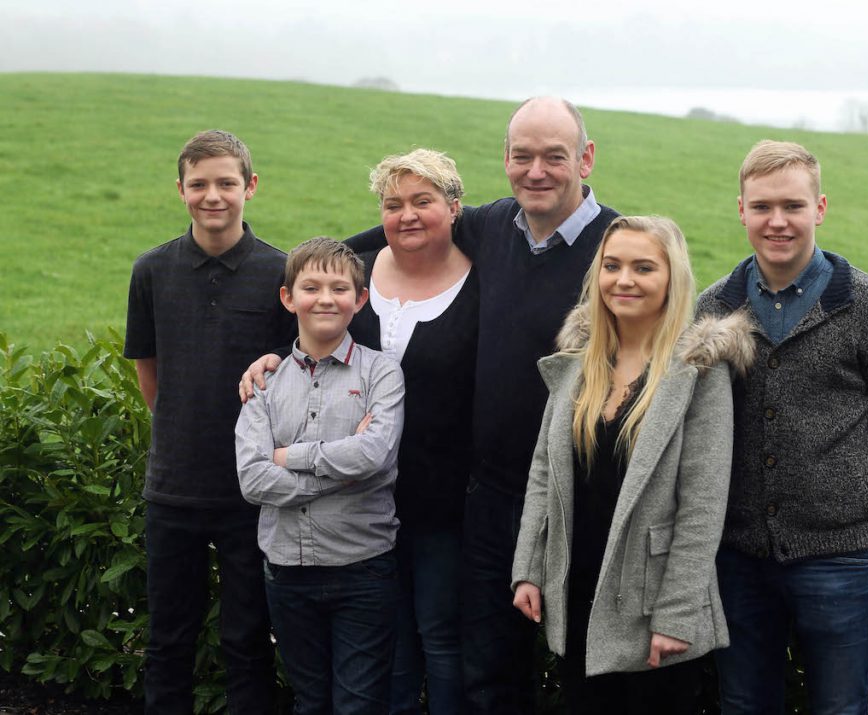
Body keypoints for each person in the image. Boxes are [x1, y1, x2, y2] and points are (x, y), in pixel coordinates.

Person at [242, 97, 620, 714]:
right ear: (505, 160)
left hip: (579, 486)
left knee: (587, 655)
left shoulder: (616, 243)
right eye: (522, 156)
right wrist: (314, 279)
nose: (537, 171)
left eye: (555, 156)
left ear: (586, 157)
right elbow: (403, 229)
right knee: (486, 660)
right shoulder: (498, 225)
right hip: (490, 493)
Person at [695, 140, 868, 714]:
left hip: (842, 558)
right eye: (763, 206)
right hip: (739, 555)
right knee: (745, 704)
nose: (778, 221)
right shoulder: (713, 310)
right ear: (741, 210)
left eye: (793, 206)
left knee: (840, 708)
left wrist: (851, 493)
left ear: (819, 208)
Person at [511, 215, 753, 714]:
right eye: (612, 265)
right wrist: (529, 568)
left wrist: (677, 615)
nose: (624, 280)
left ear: (672, 279)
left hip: (652, 604)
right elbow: (544, 473)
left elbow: (702, 507)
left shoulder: (698, 372)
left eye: (644, 267)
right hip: (578, 589)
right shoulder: (580, 361)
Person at [124, 129, 294, 713]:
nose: (212, 195)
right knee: (168, 639)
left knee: (247, 640)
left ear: (251, 187)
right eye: (198, 184)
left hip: (251, 492)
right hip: (171, 490)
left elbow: (290, 382)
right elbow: (150, 373)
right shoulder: (151, 271)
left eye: (226, 183)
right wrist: (180, 425)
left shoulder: (280, 274)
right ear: (180, 190)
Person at [235, 237, 405, 714]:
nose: (326, 298)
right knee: (310, 702)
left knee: (358, 704)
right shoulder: (263, 381)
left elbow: (374, 456)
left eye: (339, 288)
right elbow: (253, 480)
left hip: (363, 568)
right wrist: (342, 468)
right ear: (289, 298)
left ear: (361, 299)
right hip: (288, 572)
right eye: (311, 287)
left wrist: (288, 457)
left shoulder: (382, 374)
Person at [355, 149, 477, 714]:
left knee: (443, 637)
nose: (407, 214)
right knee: (391, 641)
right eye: (393, 203)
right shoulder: (353, 272)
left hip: (445, 504)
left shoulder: (482, 285)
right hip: (361, 501)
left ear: (454, 208)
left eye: (422, 201)